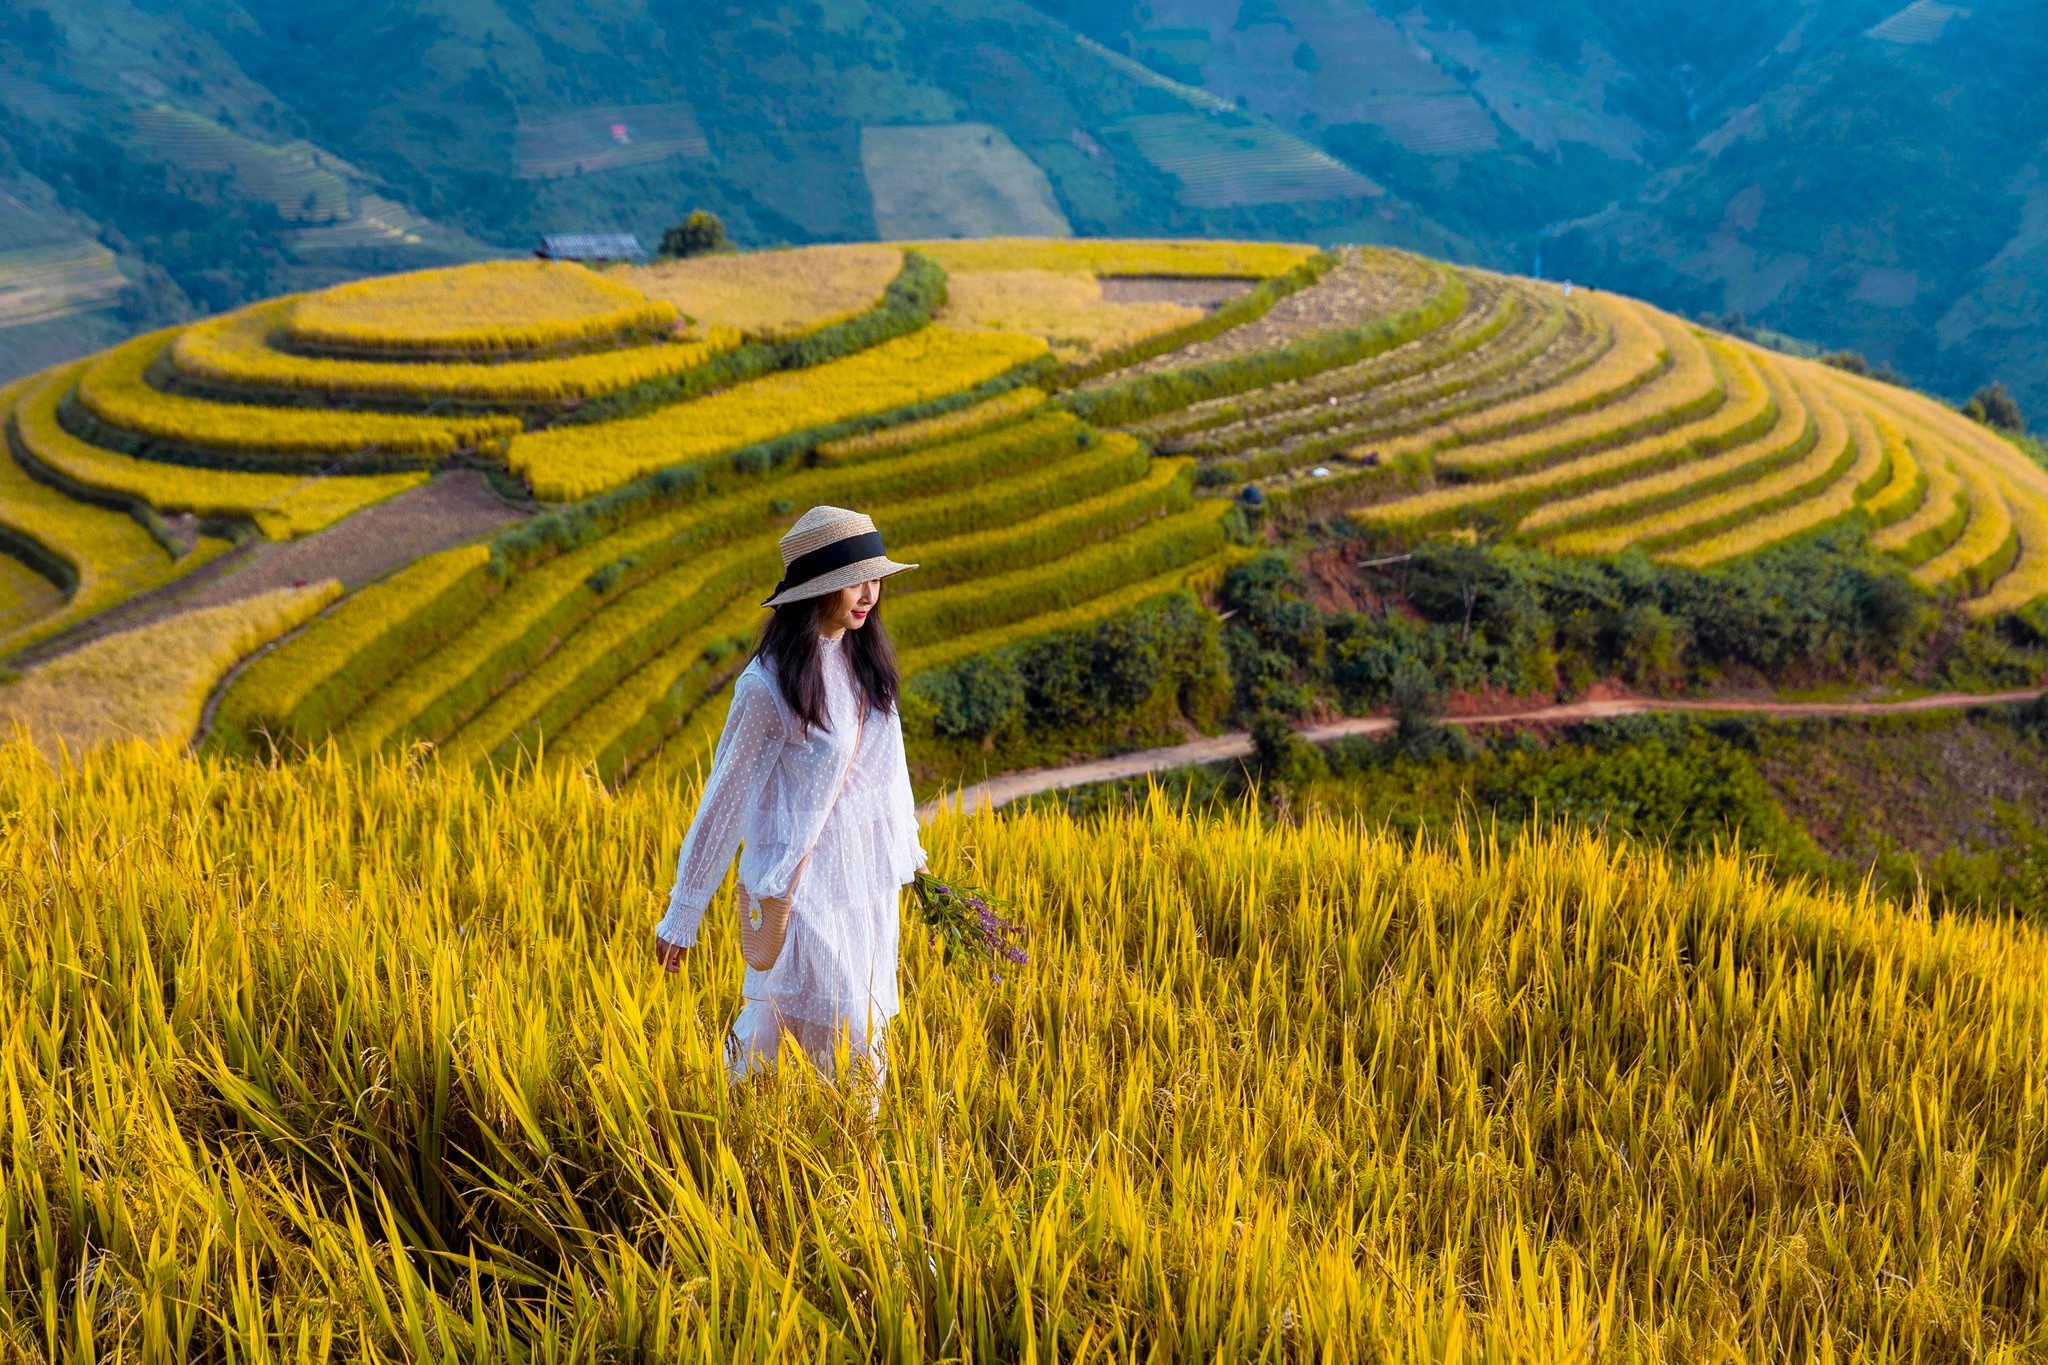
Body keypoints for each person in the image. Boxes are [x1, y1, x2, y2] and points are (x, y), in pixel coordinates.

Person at [653, 506, 924, 1083]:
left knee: (857, 1036)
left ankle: (844, 1159)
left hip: (862, 892)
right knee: (822, 1033)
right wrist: (684, 913)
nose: (870, 593)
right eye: (855, 579)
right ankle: (749, 1140)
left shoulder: (864, 662)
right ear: (816, 589)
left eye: (875, 578)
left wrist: (903, 857)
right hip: (801, 890)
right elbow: (724, 799)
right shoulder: (766, 684)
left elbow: (882, 780)